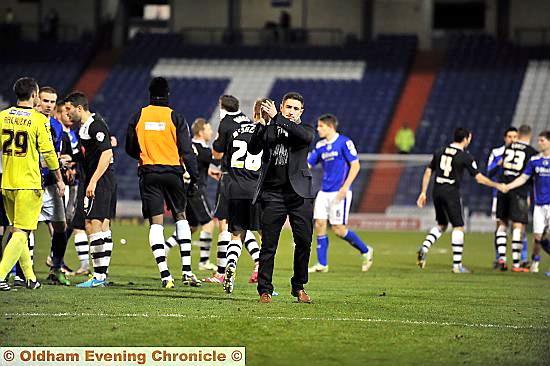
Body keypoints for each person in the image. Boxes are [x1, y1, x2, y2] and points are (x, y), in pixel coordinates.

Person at [126, 77, 199, 288]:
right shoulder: (175, 116)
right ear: (168, 94)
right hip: (173, 173)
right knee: (181, 216)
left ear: (150, 93)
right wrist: (194, 177)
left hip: (149, 173)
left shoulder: (138, 115)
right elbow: (186, 150)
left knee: (156, 223)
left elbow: (130, 147)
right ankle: (187, 270)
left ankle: (165, 275)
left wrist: (145, 154)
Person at [248, 92, 315, 304]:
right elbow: (253, 148)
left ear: (301, 112)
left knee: (304, 241)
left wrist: (278, 117)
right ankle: (264, 290)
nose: (291, 111)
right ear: (282, 107)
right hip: (273, 194)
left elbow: (303, 137)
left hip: (299, 194)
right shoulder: (271, 127)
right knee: (269, 244)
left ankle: (299, 286)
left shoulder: (304, 130)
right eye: (288, 107)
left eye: (296, 109)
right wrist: (261, 123)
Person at [0, 77, 65, 291]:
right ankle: (0, 275)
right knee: (21, 232)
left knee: (19, 230)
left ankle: (30, 278)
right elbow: (49, 153)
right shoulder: (38, 120)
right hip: (28, 183)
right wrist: (58, 178)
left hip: (7, 182)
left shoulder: (3, 116)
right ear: (35, 95)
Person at [416, 127, 506, 273]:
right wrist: (497, 185)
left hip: (436, 190)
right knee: (458, 227)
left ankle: (424, 247)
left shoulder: (440, 151)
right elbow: (478, 178)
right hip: (451, 192)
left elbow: (428, 170)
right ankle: (457, 266)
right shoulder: (465, 156)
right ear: (466, 139)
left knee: (442, 224)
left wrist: (422, 192)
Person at [202, 96, 261, 285]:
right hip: (256, 183)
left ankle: (221, 271)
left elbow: (217, 153)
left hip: (231, 179)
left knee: (227, 225)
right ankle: (261, 265)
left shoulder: (226, 124)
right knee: (253, 228)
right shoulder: (246, 121)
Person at [307, 114, 373, 273]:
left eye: (320, 126)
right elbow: (308, 163)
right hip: (324, 191)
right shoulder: (320, 145)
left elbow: (355, 166)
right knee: (319, 224)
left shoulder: (344, 142)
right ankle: (322, 264)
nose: (318, 129)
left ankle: (365, 250)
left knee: (338, 229)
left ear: (330, 126)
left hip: (339, 192)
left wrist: (345, 187)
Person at [65, 91, 116, 288]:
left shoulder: (95, 125)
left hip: (101, 180)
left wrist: (93, 181)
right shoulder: (86, 126)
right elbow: (92, 154)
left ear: (79, 108)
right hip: (104, 179)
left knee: (92, 224)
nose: (67, 113)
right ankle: (101, 276)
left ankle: (98, 276)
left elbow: (106, 154)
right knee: (102, 226)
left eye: (69, 109)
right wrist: (72, 161)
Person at [35, 86, 71, 285]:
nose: (48, 105)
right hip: (30, 182)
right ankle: (18, 272)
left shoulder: (56, 127)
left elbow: (53, 156)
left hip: (50, 183)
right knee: (23, 229)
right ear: (36, 100)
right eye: (45, 100)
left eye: (52, 102)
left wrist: (59, 168)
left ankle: (56, 268)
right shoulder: (31, 121)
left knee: (61, 226)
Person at [494, 125, 538, 272]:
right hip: (518, 190)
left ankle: (501, 258)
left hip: (502, 188)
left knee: (502, 224)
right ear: (530, 136)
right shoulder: (532, 152)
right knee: (518, 226)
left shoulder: (508, 148)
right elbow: (529, 176)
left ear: (519, 135)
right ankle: (516, 263)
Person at [505, 131, 550, 273]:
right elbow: (523, 178)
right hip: (539, 205)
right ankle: (535, 262)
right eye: (539, 140)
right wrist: (508, 186)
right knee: (538, 238)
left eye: (542, 140)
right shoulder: (534, 160)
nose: (539, 143)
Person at [486, 127, 519, 269]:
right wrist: (498, 163)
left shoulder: (522, 152)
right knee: (500, 226)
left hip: (517, 195)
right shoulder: (497, 152)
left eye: (515, 137)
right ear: (505, 138)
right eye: (510, 136)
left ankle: (521, 259)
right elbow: (489, 172)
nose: (512, 139)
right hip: (498, 194)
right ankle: (500, 258)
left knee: (519, 227)